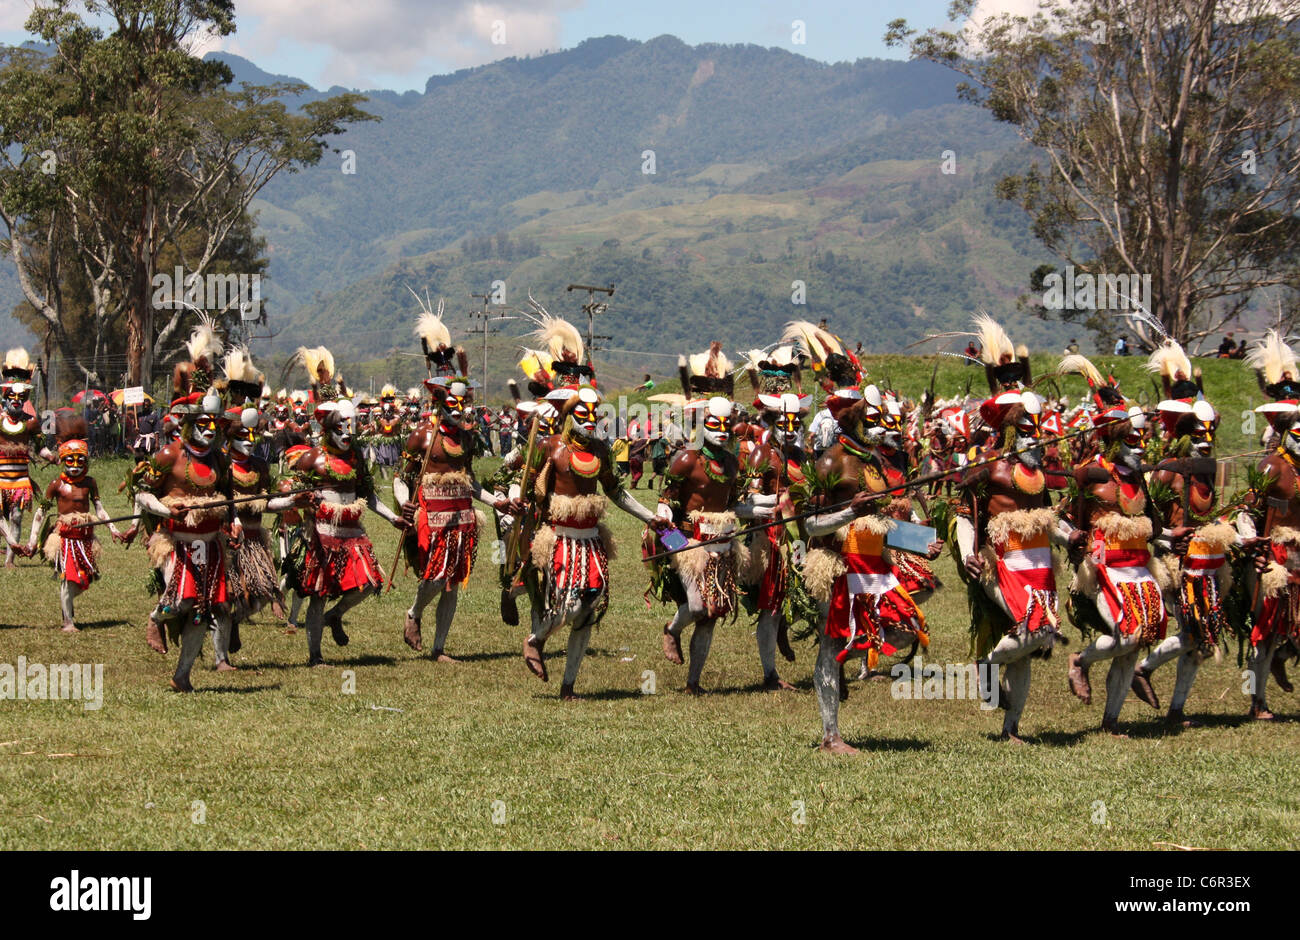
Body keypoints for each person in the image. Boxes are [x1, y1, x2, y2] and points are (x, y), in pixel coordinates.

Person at [394, 304, 510, 662]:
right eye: (455, 404)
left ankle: (439, 647)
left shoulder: (469, 439)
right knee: (434, 575)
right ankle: (414, 613)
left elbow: (470, 481)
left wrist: (495, 502)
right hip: (432, 514)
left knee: (454, 582)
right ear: (441, 402)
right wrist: (403, 503)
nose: (462, 410)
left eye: (465, 403)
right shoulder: (421, 435)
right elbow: (401, 478)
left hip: (462, 516)